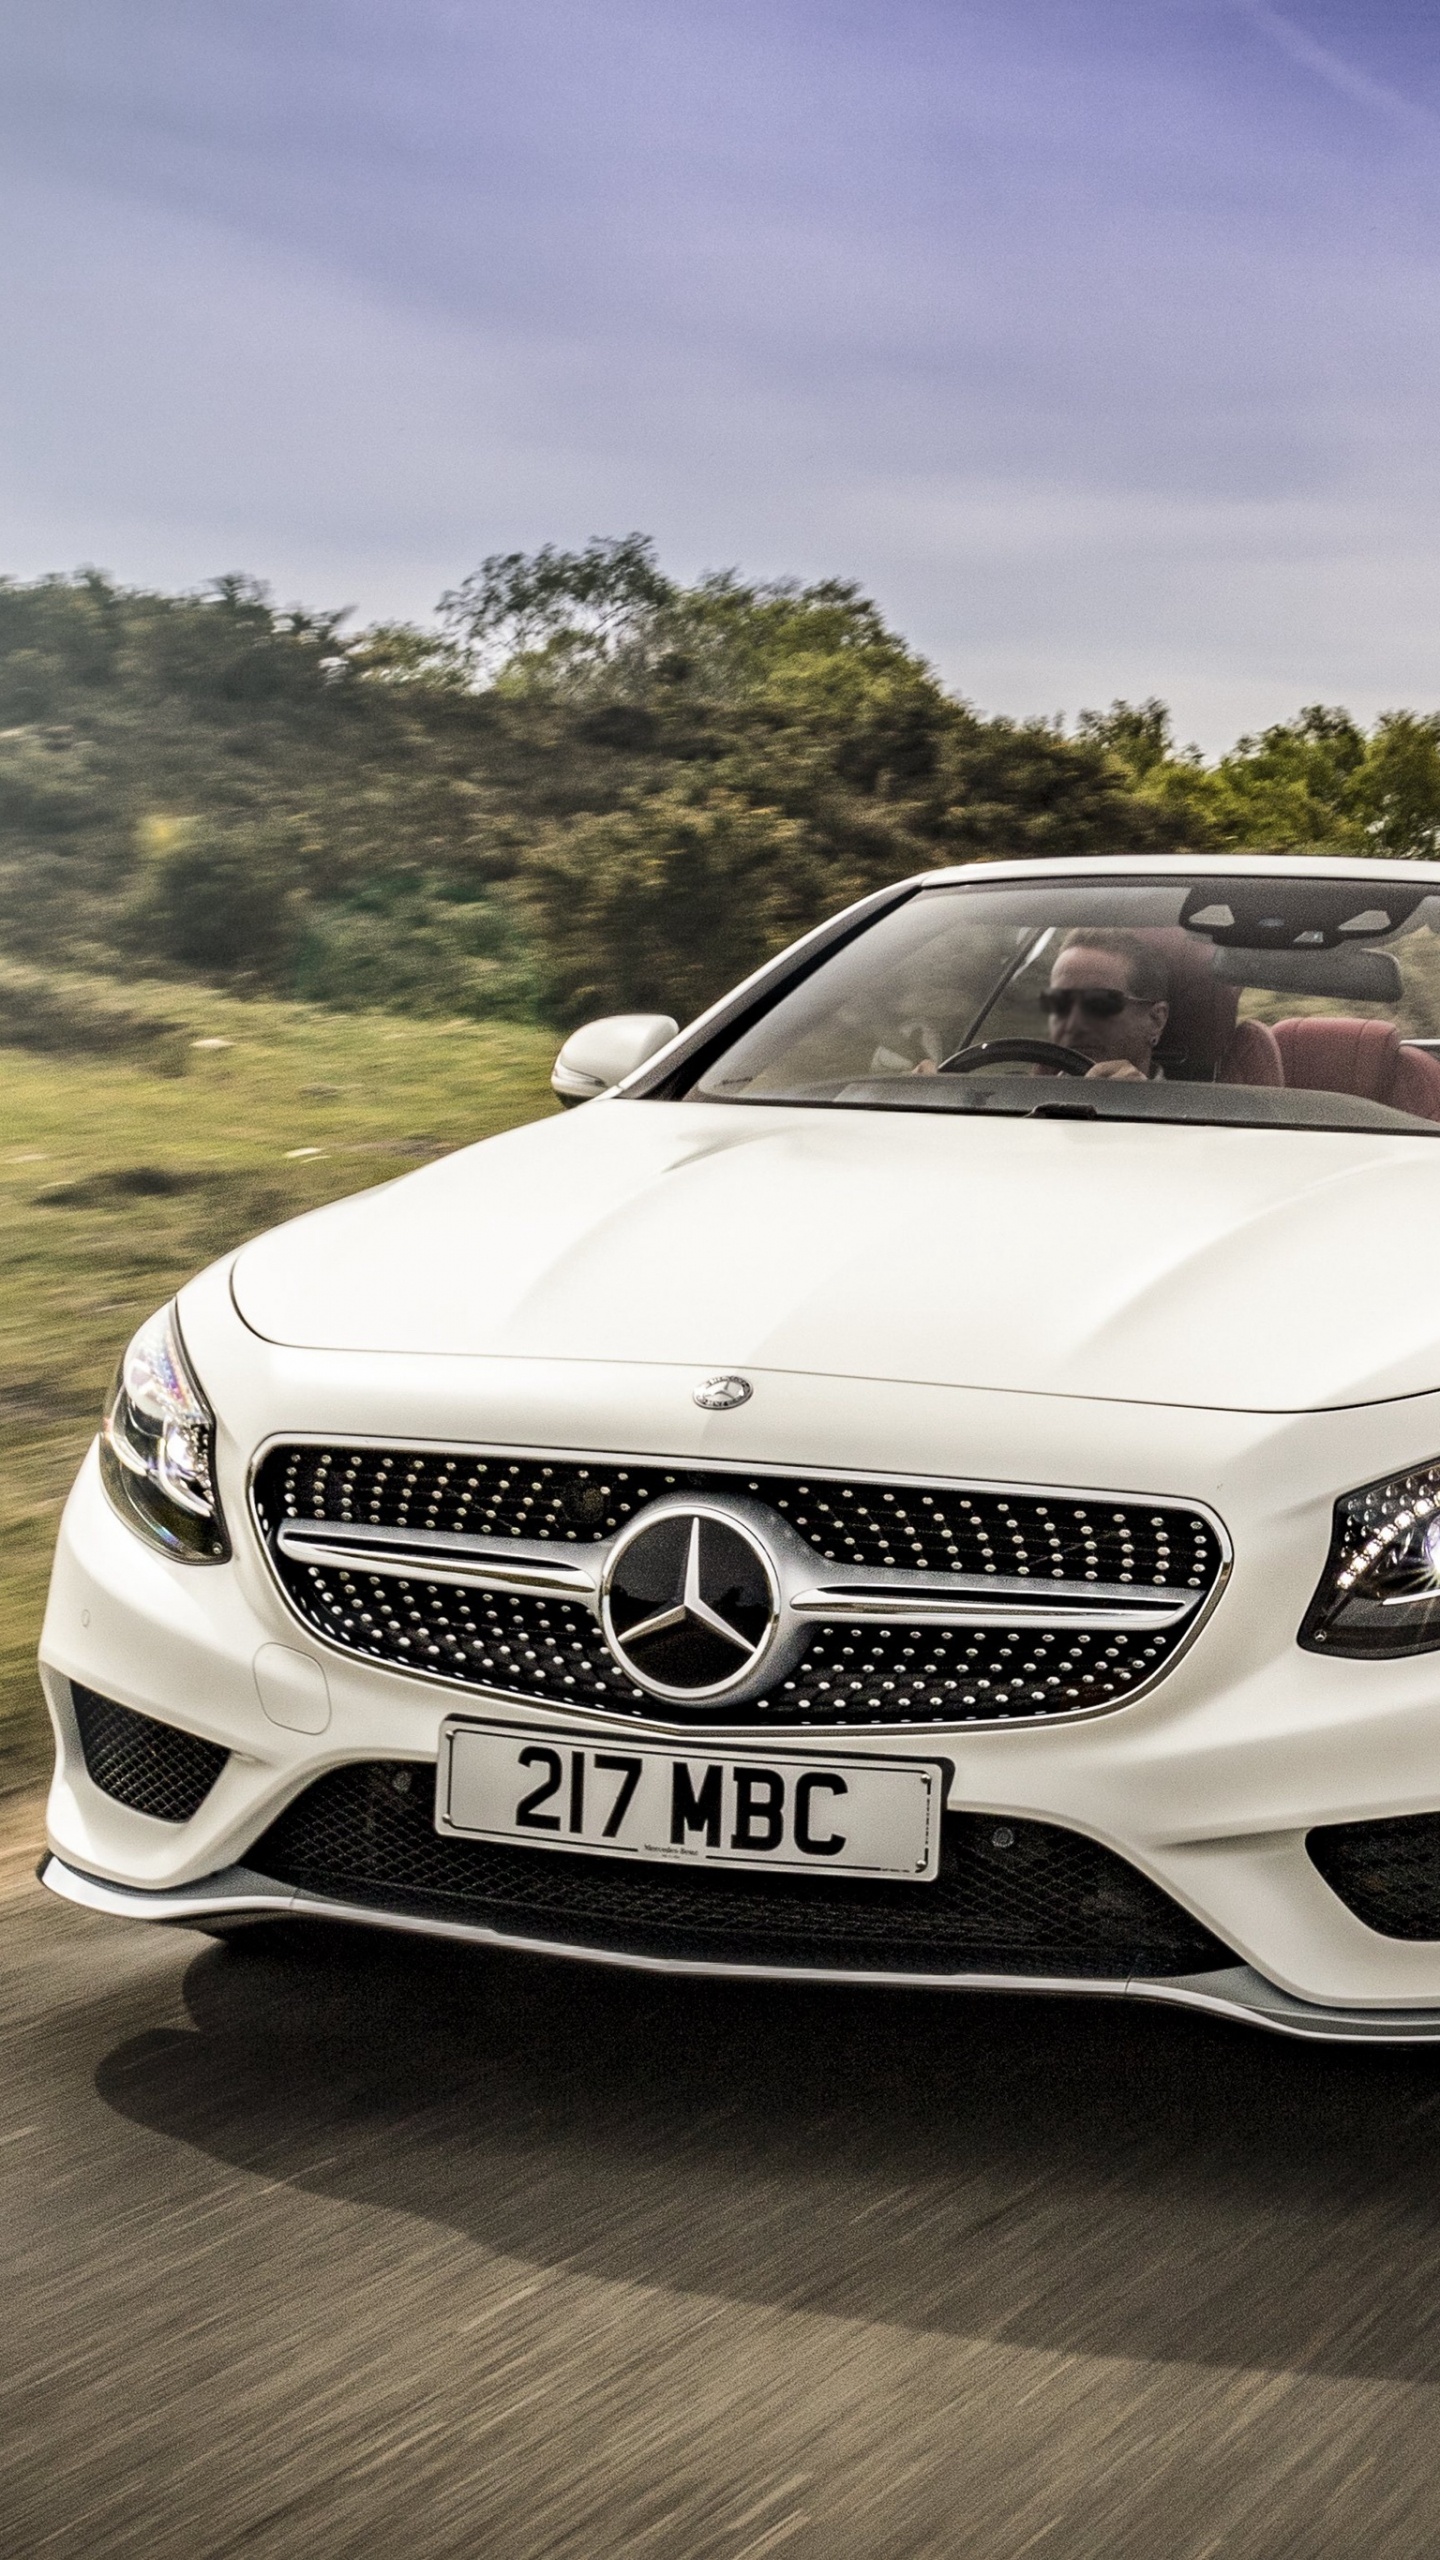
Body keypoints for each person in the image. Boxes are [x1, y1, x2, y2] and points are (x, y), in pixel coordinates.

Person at [1039, 929, 1169, 1080]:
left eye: (1099, 1003)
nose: (1073, 1025)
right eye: (1059, 1002)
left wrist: (1140, 1095)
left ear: (1156, 1020)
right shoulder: (1028, 1088)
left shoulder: (1183, 1096)